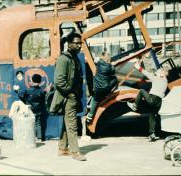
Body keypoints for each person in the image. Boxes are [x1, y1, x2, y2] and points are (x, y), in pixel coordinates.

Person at [50, 32, 86, 161]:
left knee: (68, 123)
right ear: (69, 44)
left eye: (80, 43)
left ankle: (63, 148)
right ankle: (75, 152)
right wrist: (70, 93)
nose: (79, 46)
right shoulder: (64, 59)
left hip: (73, 96)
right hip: (68, 96)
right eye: (76, 43)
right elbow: (59, 81)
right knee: (72, 124)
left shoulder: (74, 58)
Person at [127, 61, 168, 142]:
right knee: (152, 116)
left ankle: (135, 105)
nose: (156, 73)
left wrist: (137, 66)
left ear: (161, 73)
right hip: (159, 102)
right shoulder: (165, 81)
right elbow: (156, 81)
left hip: (153, 99)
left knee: (141, 91)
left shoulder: (156, 78)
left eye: (157, 72)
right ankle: (152, 134)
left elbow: (146, 73)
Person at [86, 52, 118, 124]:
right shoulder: (109, 67)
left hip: (97, 88)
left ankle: (89, 117)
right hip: (106, 89)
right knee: (115, 79)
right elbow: (113, 71)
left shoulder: (98, 63)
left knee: (95, 99)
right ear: (108, 59)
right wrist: (112, 64)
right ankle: (111, 92)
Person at [14, 74, 47, 141]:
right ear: (40, 82)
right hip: (38, 110)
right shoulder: (41, 91)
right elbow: (44, 100)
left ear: (32, 81)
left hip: (30, 110)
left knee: (30, 124)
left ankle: (32, 137)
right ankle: (39, 138)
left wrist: (17, 90)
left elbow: (21, 95)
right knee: (38, 124)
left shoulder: (28, 90)